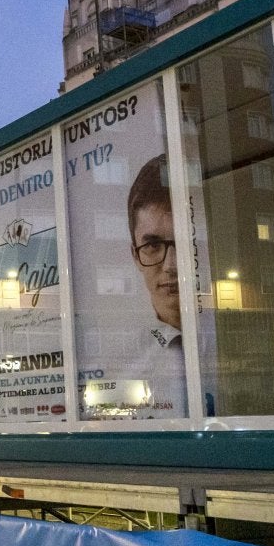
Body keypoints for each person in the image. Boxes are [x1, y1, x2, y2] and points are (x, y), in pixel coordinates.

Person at [120, 155, 185, 416]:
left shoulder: (232, 338)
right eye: (153, 246)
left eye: (183, 242)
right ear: (136, 255)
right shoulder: (126, 366)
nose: (171, 264)